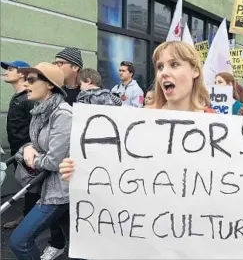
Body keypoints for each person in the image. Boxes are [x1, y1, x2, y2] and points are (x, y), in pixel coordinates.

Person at [60, 41, 215, 180]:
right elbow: (116, 166)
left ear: (195, 71)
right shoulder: (141, 119)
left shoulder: (214, 122)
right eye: (160, 67)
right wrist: (79, 170)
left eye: (174, 64)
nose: (164, 72)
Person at [8, 62, 74, 260]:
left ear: (50, 85)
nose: (25, 84)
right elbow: (35, 145)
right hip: (47, 186)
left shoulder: (63, 115)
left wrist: (31, 159)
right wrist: (27, 148)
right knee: (80, 245)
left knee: (19, 242)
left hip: (60, 191)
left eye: (30, 79)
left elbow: (54, 161)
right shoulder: (39, 110)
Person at [1, 60, 38, 229]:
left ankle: (29, 222)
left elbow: (36, 127)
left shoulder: (28, 97)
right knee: (27, 187)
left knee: (31, 188)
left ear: (22, 73)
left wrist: (30, 149)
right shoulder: (19, 96)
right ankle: (28, 219)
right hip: (18, 151)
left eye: (10, 69)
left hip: (27, 152)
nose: (6, 72)